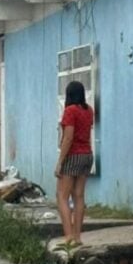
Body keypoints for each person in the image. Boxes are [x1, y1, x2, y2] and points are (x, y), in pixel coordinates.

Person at [55, 81, 94, 247]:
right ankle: (78, 237)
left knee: (62, 196)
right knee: (79, 196)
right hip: (87, 155)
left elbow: (68, 137)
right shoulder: (89, 110)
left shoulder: (70, 111)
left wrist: (60, 162)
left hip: (73, 156)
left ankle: (69, 236)